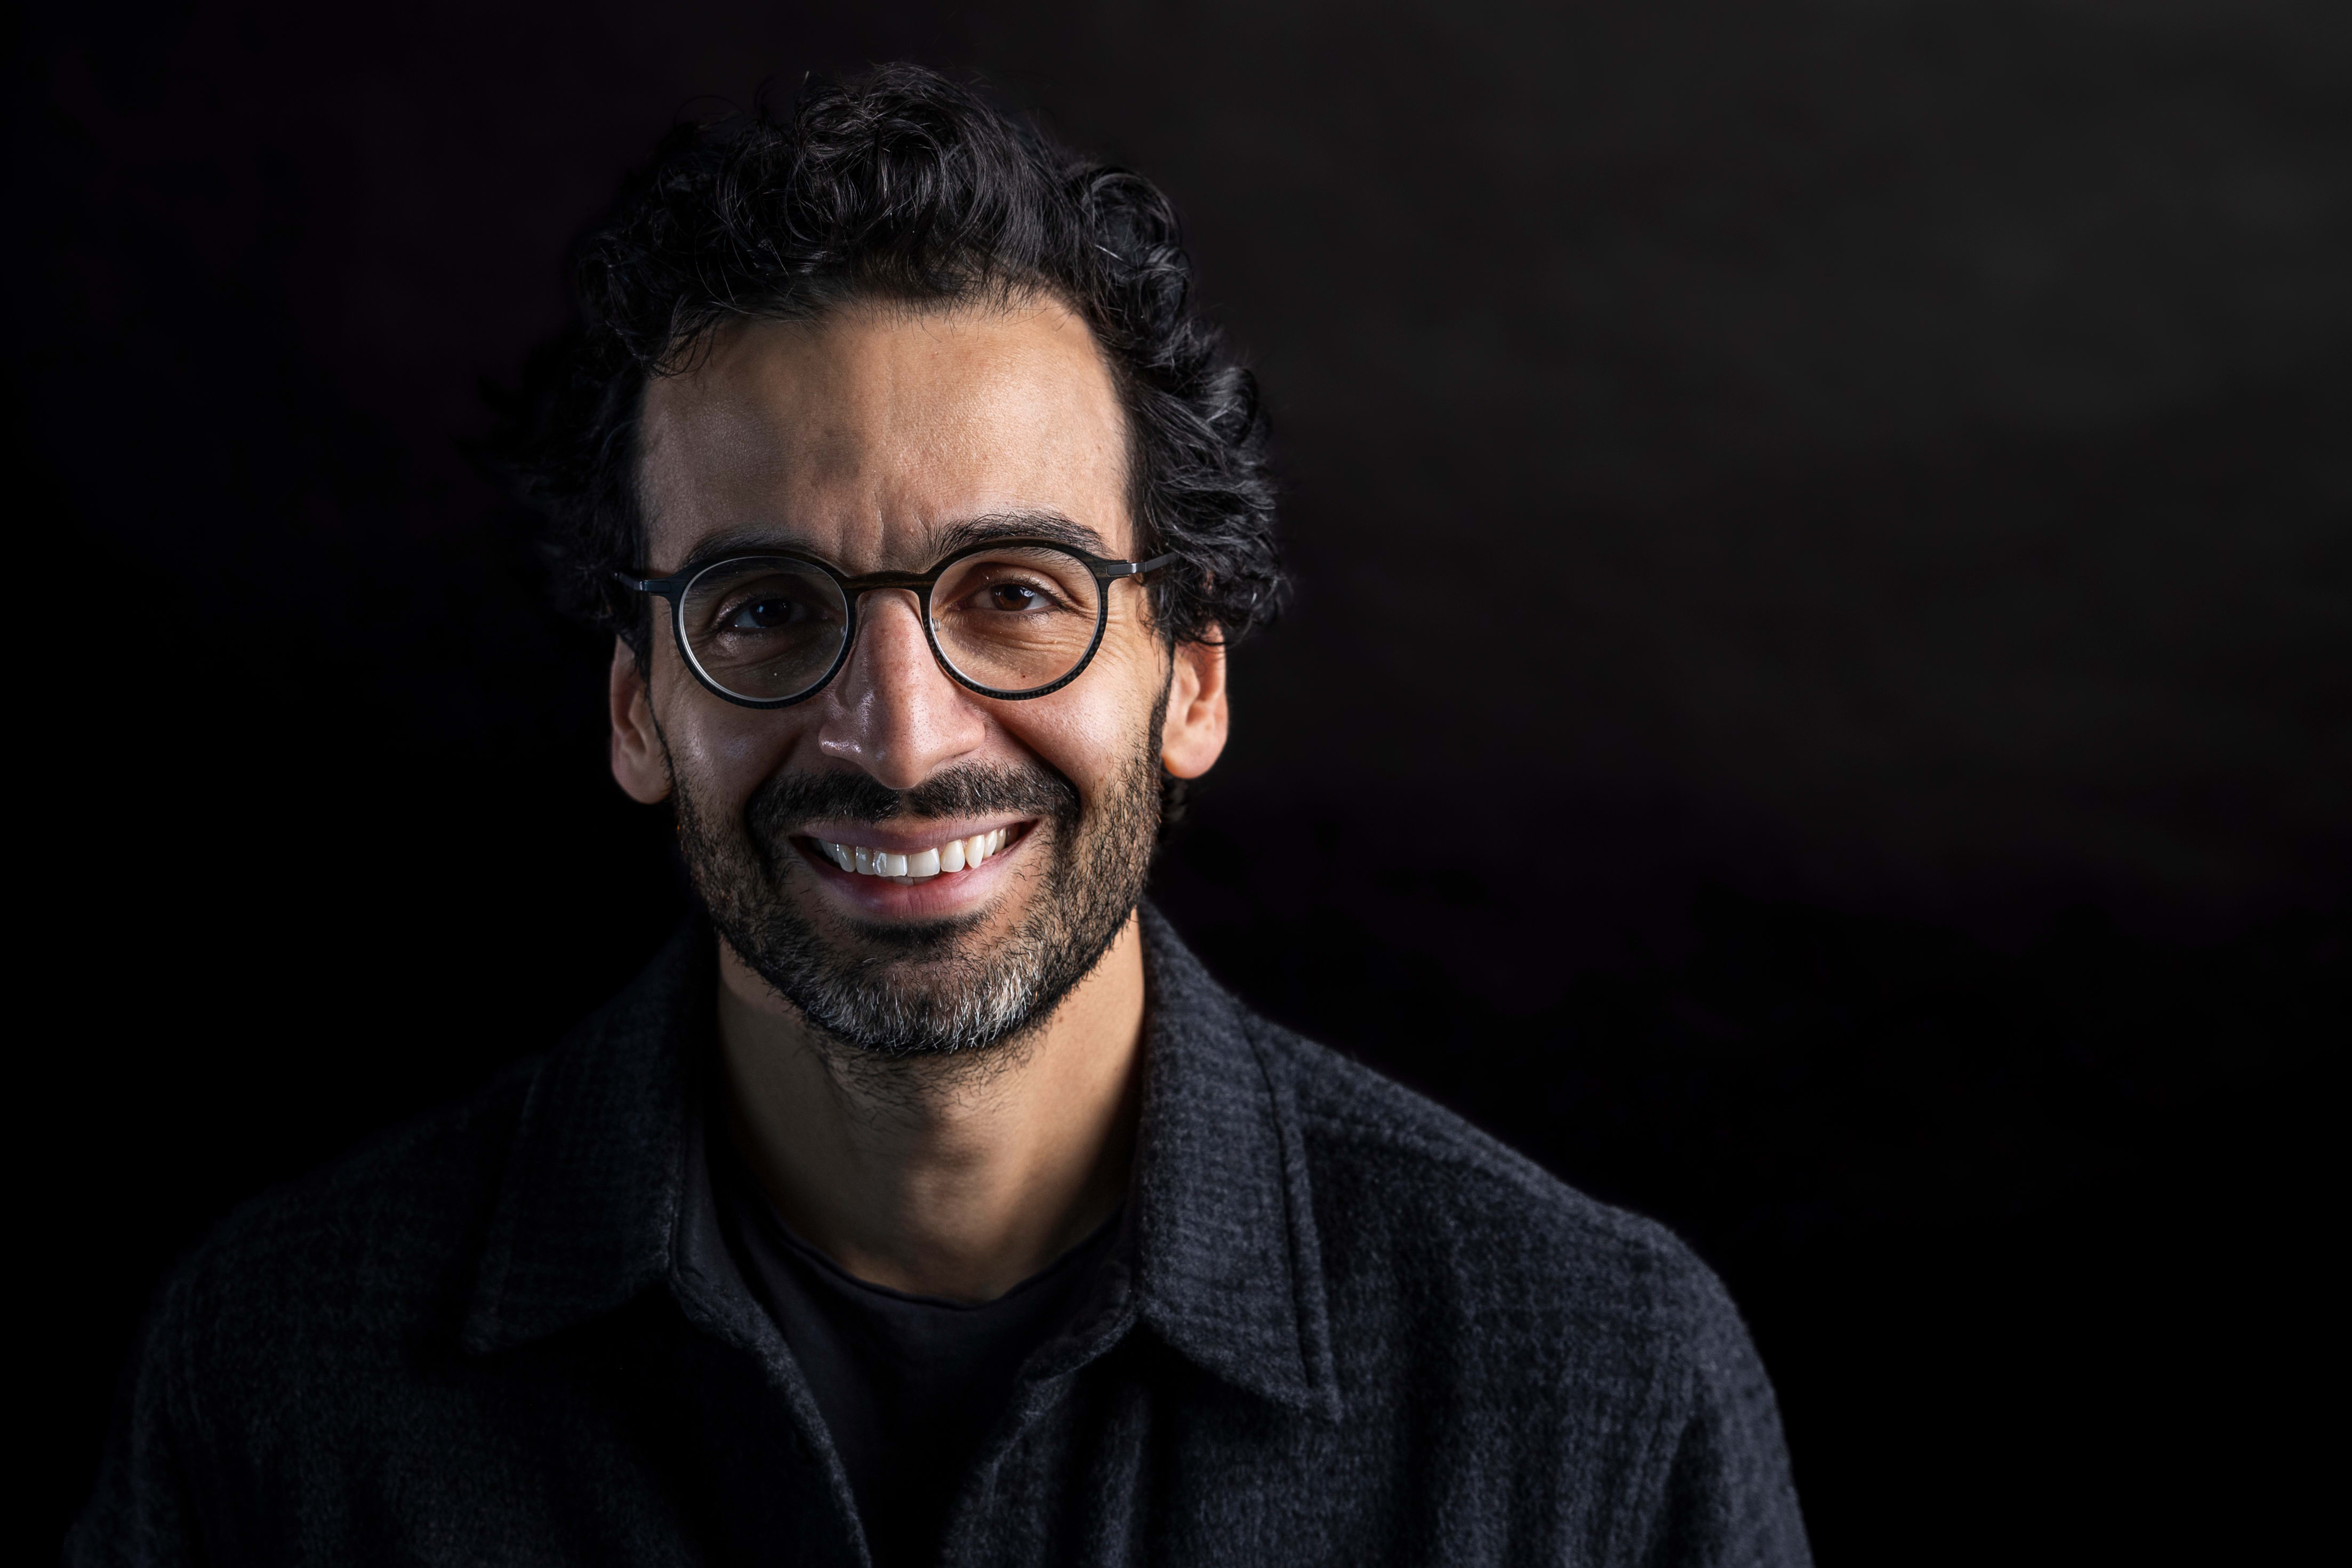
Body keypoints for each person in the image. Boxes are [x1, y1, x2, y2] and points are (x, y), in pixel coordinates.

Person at [70, 65, 1809, 1567]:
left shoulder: (1591, 1381)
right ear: (635, 710)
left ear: (1192, 680)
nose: (898, 738)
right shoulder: (277, 1375)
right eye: (765, 611)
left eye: (1018, 594)